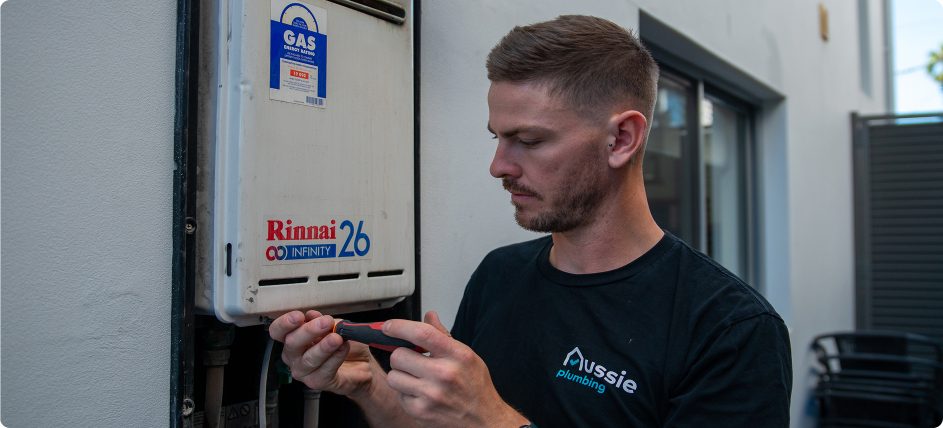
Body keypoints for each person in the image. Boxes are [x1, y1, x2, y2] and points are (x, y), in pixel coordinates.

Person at [270, 15, 792, 427]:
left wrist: (494, 421)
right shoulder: (499, 275)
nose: (499, 166)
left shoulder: (729, 330)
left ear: (622, 139)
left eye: (530, 140)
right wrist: (369, 387)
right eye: (497, 137)